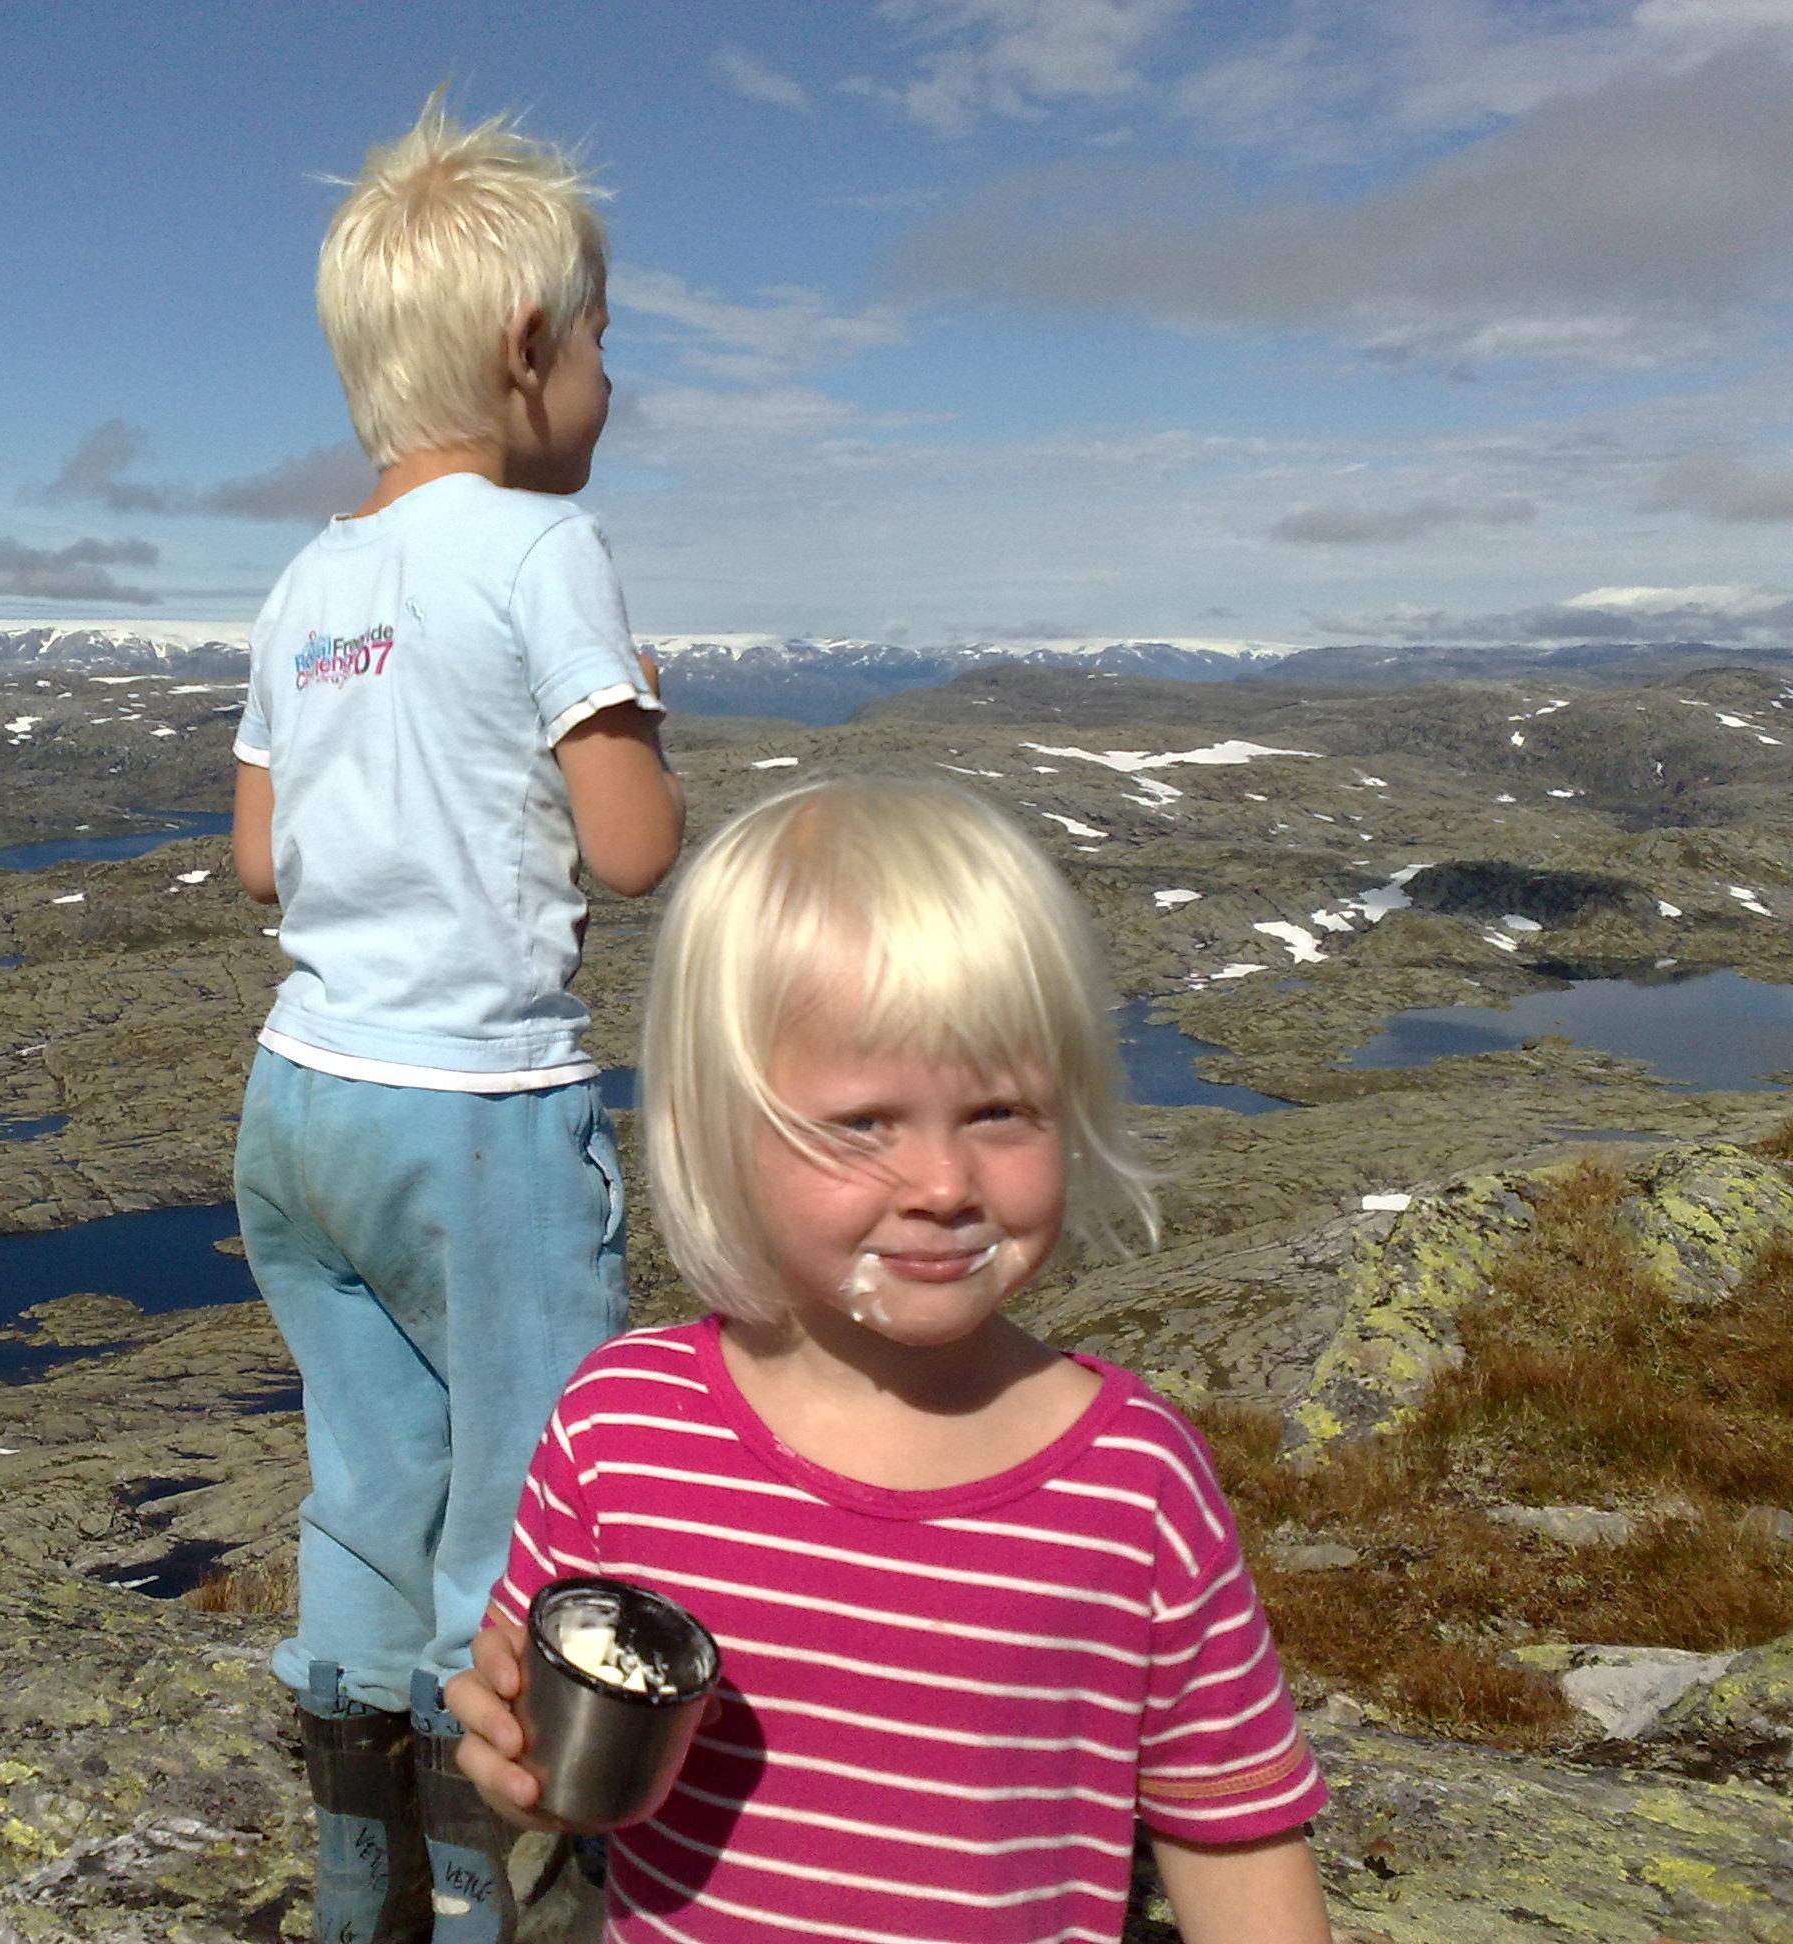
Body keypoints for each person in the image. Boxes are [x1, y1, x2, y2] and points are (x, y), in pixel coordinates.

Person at [448, 779, 1334, 1944]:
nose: (943, 1185)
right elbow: (523, 1673)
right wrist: (504, 1737)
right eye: (863, 1121)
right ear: (719, 1131)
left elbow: (1239, 1844)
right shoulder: (623, 1426)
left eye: (1002, 1111)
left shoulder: (1133, 1483)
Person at [229, 90, 685, 1944]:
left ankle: (360, 1880)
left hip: (299, 1107)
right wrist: (634, 709)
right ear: (525, 350)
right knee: (523, 1509)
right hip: (476, 1116)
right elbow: (634, 850)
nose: (605, 379)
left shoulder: (305, 578)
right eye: (599, 342)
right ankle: (507, 1901)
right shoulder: (538, 553)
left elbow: (262, 863)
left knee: (366, 1479)